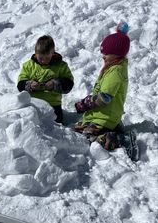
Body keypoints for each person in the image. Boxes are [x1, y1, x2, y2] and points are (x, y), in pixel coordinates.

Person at [74, 22, 130, 151]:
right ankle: (114, 128)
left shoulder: (116, 71)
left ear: (117, 54)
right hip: (99, 116)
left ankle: (121, 140)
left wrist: (86, 103)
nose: (103, 56)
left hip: (104, 118)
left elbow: (105, 97)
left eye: (106, 54)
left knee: (86, 141)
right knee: (76, 131)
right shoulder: (113, 67)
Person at [17, 35, 74, 124]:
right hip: (33, 103)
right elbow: (20, 84)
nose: (44, 60)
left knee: (56, 128)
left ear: (53, 53)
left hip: (53, 105)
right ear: (36, 54)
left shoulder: (61, 66)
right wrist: (29, 85)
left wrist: (56, 84)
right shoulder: (28, 66)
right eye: (40, 58)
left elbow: (69, 84)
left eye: (47, 57)